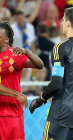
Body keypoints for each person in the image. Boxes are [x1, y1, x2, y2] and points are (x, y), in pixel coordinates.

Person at [29, 7, 73, 140]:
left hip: (61, 113)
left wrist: (40, 99)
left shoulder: (60, 48)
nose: (61, 23)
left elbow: (56, 83)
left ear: (68, 23)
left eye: (63, 20)